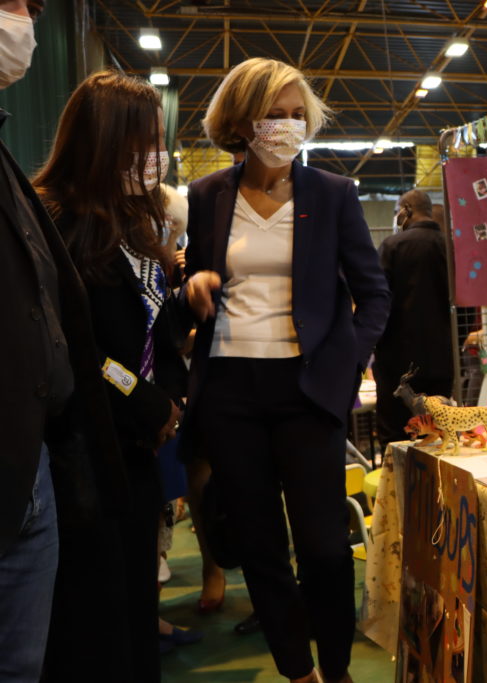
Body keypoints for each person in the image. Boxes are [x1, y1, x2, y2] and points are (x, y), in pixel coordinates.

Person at [183, 57, 389, 683]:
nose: (289, 126)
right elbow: (194, 282)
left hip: (307, 390)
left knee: (326, 549)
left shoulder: (331, 194)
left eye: (299, 115)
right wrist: (193, 286)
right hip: (230, 390)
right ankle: (298, 673)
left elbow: (373, 293)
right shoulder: (207, 196)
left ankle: (336, 668)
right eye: (277, 114)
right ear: (243, 121)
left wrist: (348, 361)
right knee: (262, 549)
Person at [34, 69, 190, 682]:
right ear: (104, 141)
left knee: (133, 612)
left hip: (136, 454)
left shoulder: (135, 224)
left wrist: (171, 392)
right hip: (85, 457)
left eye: (158, 141)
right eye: (142, 142)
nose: (154, 156)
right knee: (95, 627)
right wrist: (150, 403)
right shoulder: (55, 223)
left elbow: (152, 326)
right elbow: (83, 351)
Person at [0, 3, 124, 681]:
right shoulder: (63, 211)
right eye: (13, 3)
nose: (25, 20)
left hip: (43, 464)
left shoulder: (12, 175)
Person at [375, 189, 454, 446]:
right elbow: (463, 307)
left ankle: (396, 486)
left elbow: (377, 301)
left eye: (399, 209)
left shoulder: (392, 246)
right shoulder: (451, 248)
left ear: (406, 210)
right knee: (439, 431)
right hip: (443, 359)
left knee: (398, 435)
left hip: (398, 363)